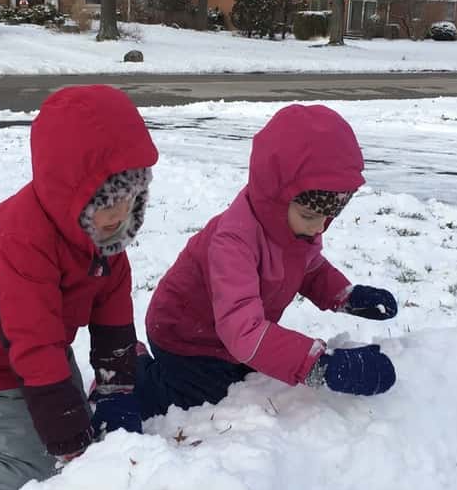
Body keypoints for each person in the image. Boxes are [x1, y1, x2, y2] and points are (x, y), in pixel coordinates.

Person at [0, 85, 158, 490]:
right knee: (36, 470)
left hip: (40, 352)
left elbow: (112, 312)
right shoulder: (24, 239)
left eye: (130, 192)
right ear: (68, 189)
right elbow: (34, 343)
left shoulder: (105, 234)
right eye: (105, 198)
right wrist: (66, 435)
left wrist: (116, 391)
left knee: (84, 428)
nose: (119, 211)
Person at [136, 104, 397, 418]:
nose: (320, 227)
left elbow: (309, 269)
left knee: (253, 375)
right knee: (207, 398)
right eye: (311, 215)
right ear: (275, 196)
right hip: (185, 334)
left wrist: (347, 297)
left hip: (227, 335)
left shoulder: (293, 227)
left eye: (329, 216)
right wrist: (321, 367)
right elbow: (242, 331)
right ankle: (135, 372)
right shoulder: (233, 242)